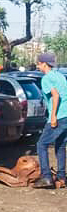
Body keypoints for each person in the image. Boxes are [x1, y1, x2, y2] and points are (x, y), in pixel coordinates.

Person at [33, 51, 67, 189]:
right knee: (60, 146)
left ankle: (46, 177)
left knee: (41, 144)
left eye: (39, 63)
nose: (38, 66)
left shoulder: (46, 78)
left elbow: (55, 96)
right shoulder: (60, 76)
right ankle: (61, 177)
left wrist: (52, 116)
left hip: (58, 116)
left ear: (44, 64)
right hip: (66, 115)